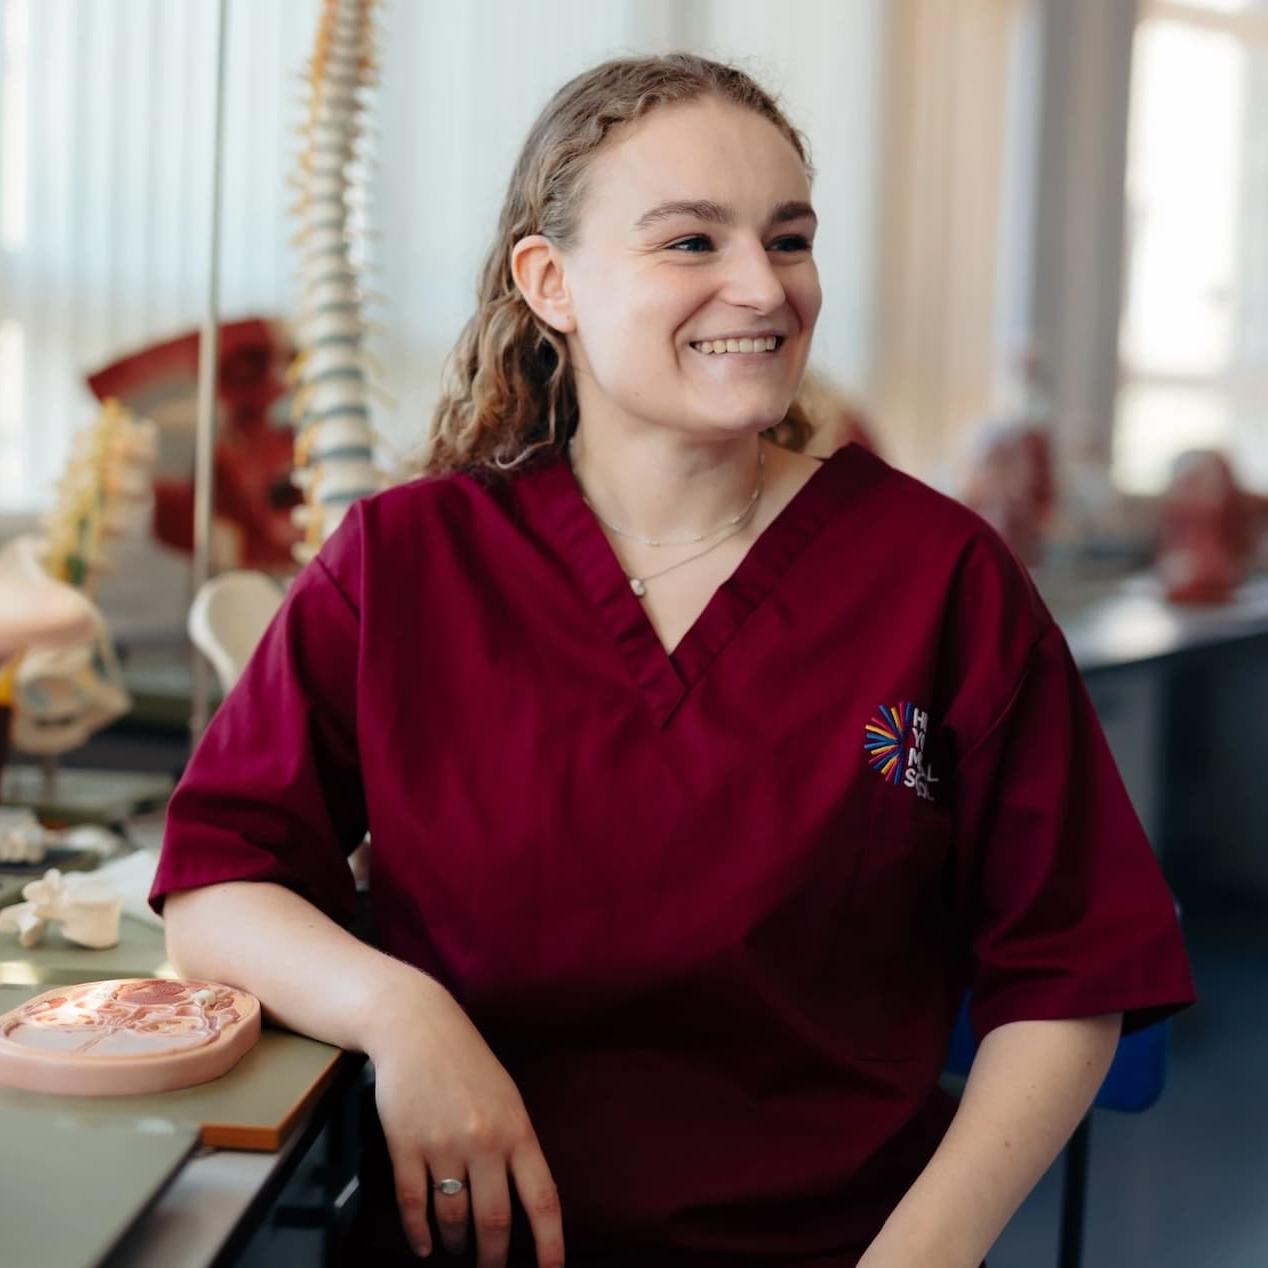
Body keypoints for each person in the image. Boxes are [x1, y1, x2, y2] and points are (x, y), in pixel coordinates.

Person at [151, 54, 1195, 1268]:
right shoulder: (405, 562)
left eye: (788, 237)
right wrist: (403, 1011)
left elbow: (1068, 974)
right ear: (551, 284)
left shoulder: (939, 577)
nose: (763, 286)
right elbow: (217, 880)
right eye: (691, 242)